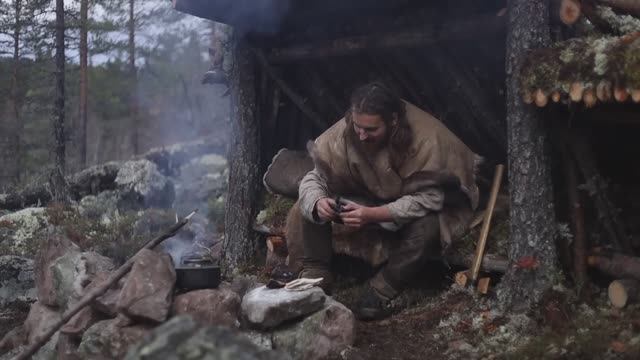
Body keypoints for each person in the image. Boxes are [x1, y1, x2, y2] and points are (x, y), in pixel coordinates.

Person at [286, 81, 480, 320]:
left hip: (422, 202)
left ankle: (379, 291)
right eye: (357, 127)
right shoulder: (347, 131)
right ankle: (316, 275)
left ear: (393, 121)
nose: (361, 135)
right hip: (369, 194)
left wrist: (373, 214)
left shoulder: (428, 140)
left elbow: (430, 198)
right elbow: (313, 178)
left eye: (371, 129)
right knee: (305, 206)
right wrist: (318, 203)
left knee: (428, 230)